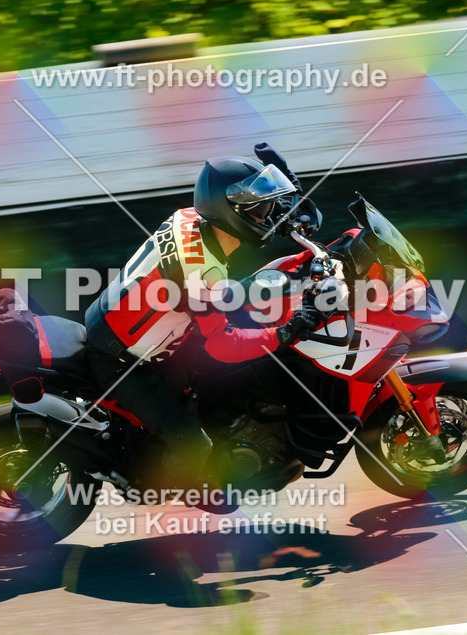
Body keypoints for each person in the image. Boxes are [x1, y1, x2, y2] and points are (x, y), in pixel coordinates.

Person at [85, 142, 327, 485]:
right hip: (122, 359)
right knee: (197, 450)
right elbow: (221, 344)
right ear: (232, 212)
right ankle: (144, 480)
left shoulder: (192, 217)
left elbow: (222, 286)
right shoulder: (203, 271)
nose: (268, 215)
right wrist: (284, 333)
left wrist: (287, 194)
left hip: (124, 320)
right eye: (262, 210)